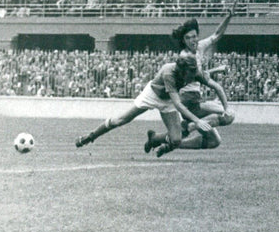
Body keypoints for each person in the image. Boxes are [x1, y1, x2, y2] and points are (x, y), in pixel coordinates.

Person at [75, 21, 230, 154]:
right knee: (120, 120)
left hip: (167, 101)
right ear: (182, 72)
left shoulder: (193, 71)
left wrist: (227, 108)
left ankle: (155, 139)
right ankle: (90, 136)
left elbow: (217, 87)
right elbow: (178, 104)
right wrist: (197, 121)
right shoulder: (168, 73)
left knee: (176, 140)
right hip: (152, 95)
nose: (192, 79)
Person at [143, 18, 235, 157]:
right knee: (227, 115)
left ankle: (158, 140)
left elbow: (217, 35)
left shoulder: (199, 47)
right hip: (187, 99)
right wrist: (216, 70)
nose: (192, 40)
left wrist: (228, 17)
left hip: (196, 99)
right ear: (183, 41)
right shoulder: (184, 56)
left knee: (213, 141)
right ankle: (190, 127)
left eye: (194, 37)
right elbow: (195, 76)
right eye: (188, 38)